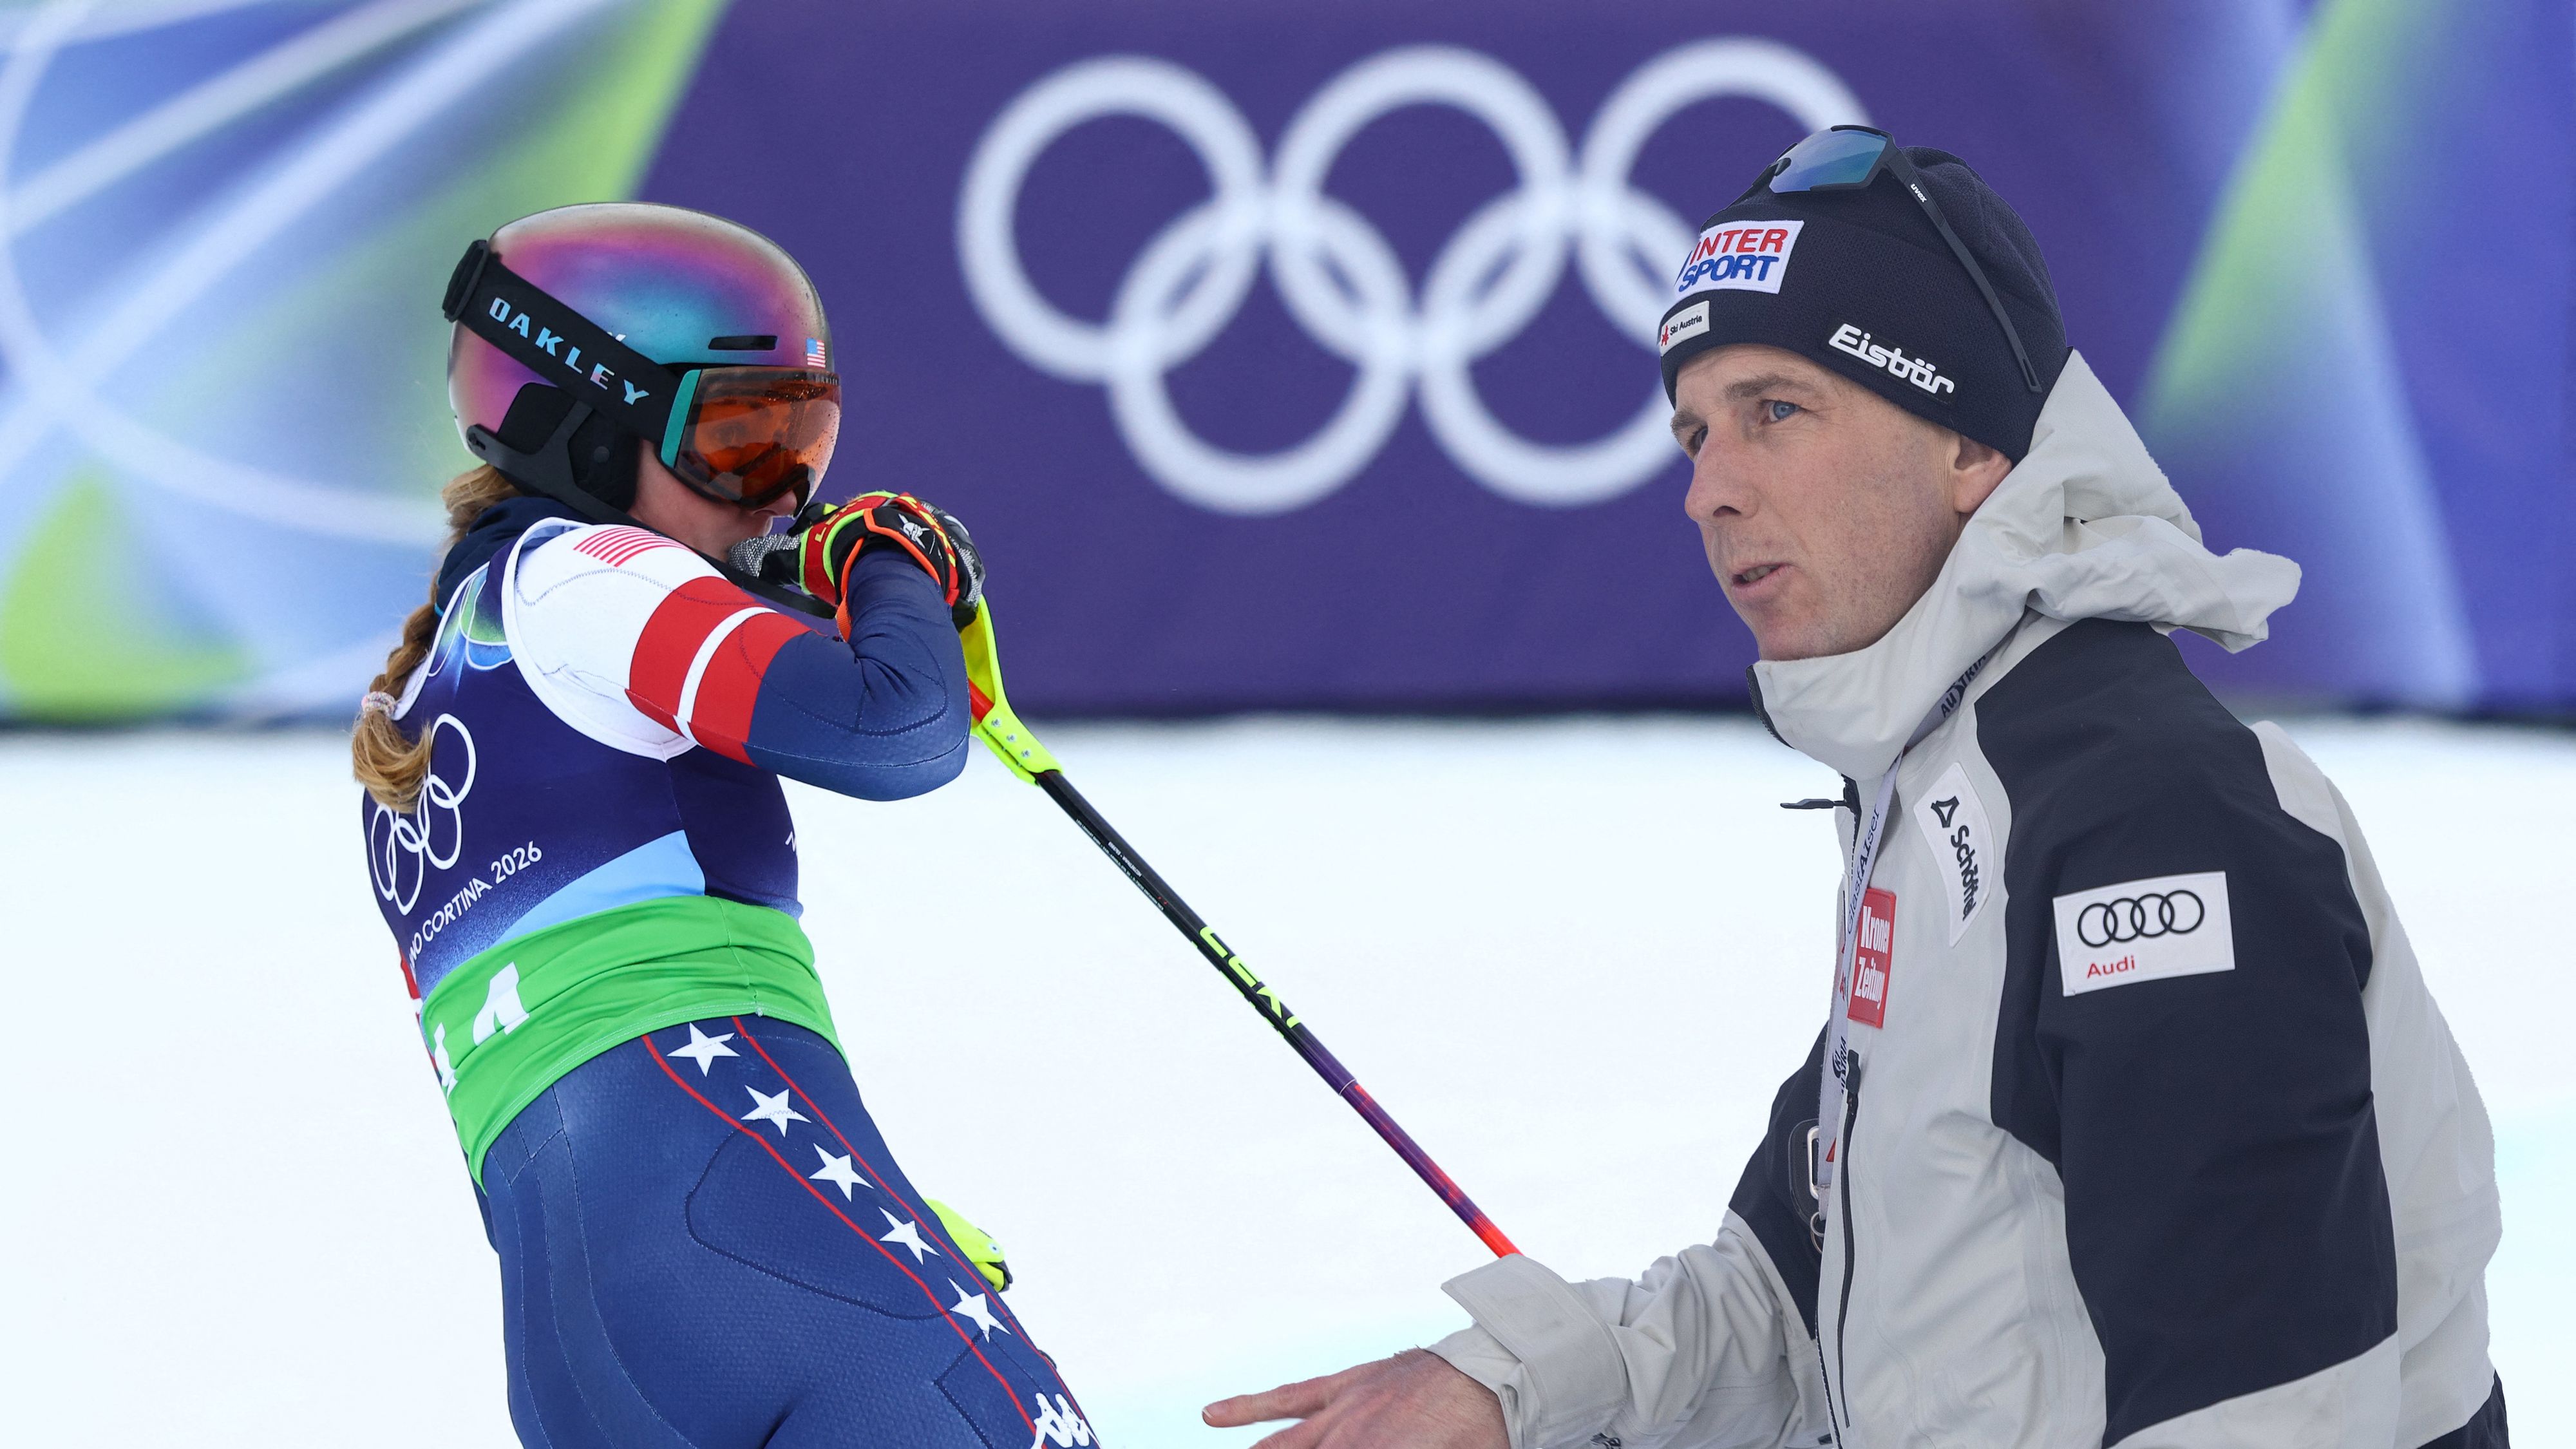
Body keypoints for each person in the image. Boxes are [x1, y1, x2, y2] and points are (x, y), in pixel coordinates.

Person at [1205, 128, 2505, 1449]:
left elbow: (2264, 1419)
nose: (1708, 490)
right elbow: (1802, 1297)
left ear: (1970, 448)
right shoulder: (1942, 780)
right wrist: (1507, 1388)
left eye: (1776, 410)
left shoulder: (2142, 821)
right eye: (1694, 434)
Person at [352, 203, 1096, 1449]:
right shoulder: (587, 572)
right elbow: (895, 730)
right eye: (741, 445)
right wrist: (895, 552)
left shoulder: (436, 686)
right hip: (765, 1247)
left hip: (588, 1353)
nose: (786, 497)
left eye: (806, 444)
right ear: (577, 430)